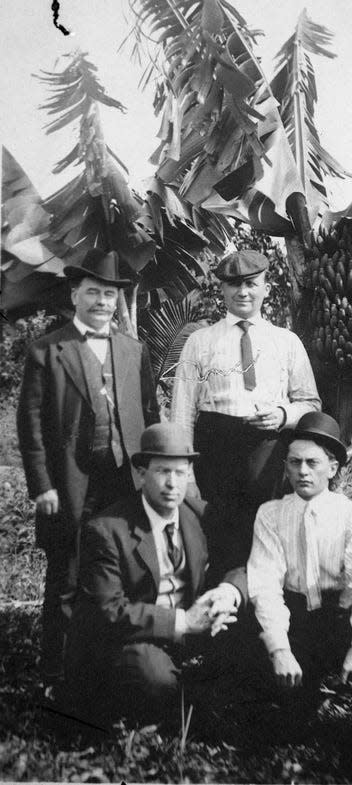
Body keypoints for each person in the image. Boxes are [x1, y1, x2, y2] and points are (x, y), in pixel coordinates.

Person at [16, 248, 159, 695]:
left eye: (110, 294)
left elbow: (151, 416)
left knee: (128, 572)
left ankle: (122, 668)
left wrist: (153, 478)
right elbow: (32, 424)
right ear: (75, 295)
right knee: (68, 577)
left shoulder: (135, 351)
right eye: (93, 292)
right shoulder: (48, 350)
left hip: (125, 481)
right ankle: (56, 676)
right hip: (70, 484)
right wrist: (42, 486)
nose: (102, 302)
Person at [66, 422, 246, 722]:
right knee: (154, 678)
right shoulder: (107, 529)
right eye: (163, 471)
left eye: (180, 473)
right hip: (128, 640)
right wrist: (184, 622)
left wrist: (228, 592)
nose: (172, 484)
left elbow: (240, 562)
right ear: (140, 474)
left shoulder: (200, 513)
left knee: (248, 632)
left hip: (188, 634)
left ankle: (196, 695)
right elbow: (109, 611)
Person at [171, 249, 321, 571]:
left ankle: (264, 617)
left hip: (265, 453)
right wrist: (187, 475)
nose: (243, 292)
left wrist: (283, 415)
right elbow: (182, 413)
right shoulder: (200, 341)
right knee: (219, 542)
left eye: (252, 283)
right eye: (234, 284)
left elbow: (310, 404)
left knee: (266, 541)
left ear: (266, 286)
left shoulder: (286, 341)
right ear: (222, 290)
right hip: (215, 450)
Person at [248, 412, 352, 709]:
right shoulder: (270, 514)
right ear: (286, 467)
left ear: (333, 468)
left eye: (312, 463)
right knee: (287, 713)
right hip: (297, 620)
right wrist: (279, 649)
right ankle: (299, 694)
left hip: (341, 618)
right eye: (295, 462)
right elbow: (264, 585)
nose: (303, 471)